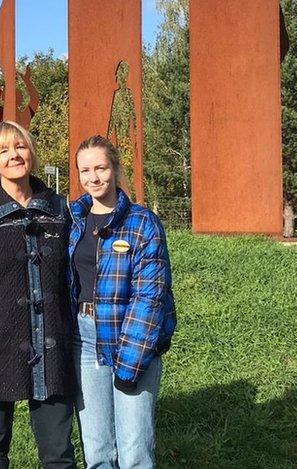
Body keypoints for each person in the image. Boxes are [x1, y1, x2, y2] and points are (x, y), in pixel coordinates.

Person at [0, 120, 77, 469]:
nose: (13, 156)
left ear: (31, 152)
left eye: (19, 147)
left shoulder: (60, 209)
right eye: (3, 150)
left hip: (50, 344)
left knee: (59, 454)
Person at [70, 135, 177, 469]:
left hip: (131, 339)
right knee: (97, 447)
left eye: (101, 168)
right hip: (85, 341)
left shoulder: (142, 223)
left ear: (114, 168)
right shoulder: (74, 221)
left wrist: (130, 363)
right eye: (85, 170)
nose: (94, 177)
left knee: (134, 451)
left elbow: (151, 297)